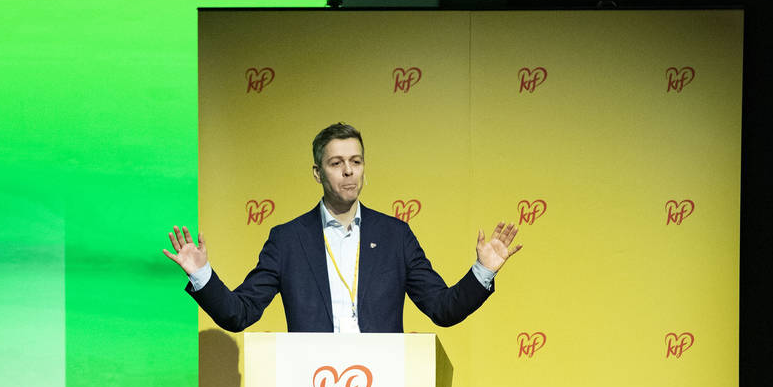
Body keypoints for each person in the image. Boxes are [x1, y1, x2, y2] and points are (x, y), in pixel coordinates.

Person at [165, 123, 521, 333]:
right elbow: (238, 313)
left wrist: (483, 271)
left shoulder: (396, 237)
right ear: (318, 173)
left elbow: (443, 309)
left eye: (356, 161)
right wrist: (202, 275)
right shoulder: (288, 240)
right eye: (336, 163)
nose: (349, 171)